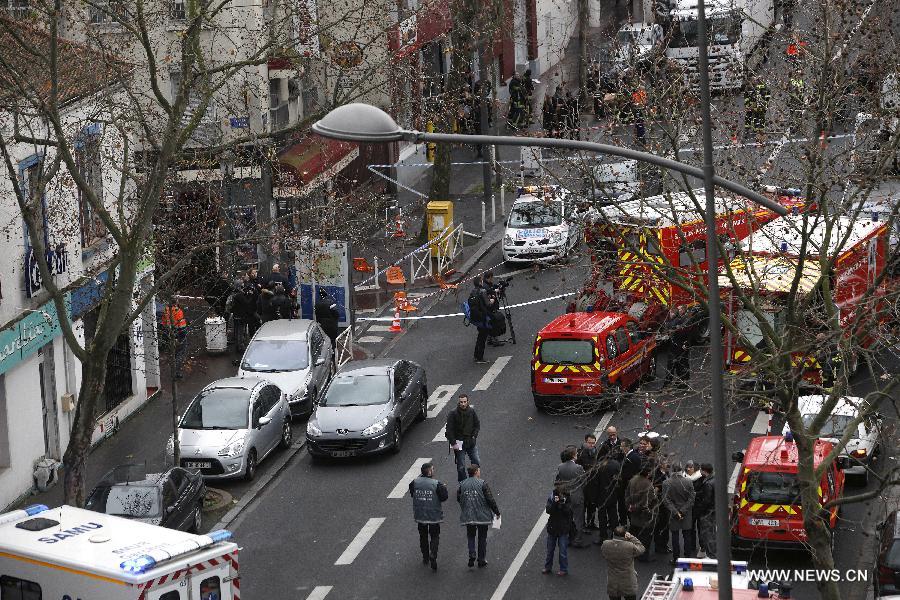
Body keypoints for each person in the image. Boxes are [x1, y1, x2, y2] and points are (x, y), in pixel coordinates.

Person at [457, 465, 500, 568]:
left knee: (471, 535)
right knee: (482, 537)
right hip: (482, 515)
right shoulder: (482, 483)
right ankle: (481, 559)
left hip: (469, 514)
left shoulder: (462, 484)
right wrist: (497, 512)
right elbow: (490, 499)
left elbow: (459, 498)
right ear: (476, 472)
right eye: (479, 471)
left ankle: (472, 553)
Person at [409, 462, 449, 570]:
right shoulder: (437, 484)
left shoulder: (415, 482)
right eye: (433, 469)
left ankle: (425, 557)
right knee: (435, 536)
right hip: (433, 515)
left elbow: (412, 493)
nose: (434, 470)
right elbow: (444, 498)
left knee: (423, 536)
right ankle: (433, 555)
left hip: (420, 514)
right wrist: (444, 488)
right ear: (430, 472)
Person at [662, 463, 696, 563]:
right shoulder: (688, 481)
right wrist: (683, 511)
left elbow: (666, 500)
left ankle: (676, 558)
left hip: (673, 514)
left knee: (675, 536)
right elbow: (691, 499)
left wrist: (676, 512)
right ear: (682, 470)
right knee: (687, 535)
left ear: (672, 470)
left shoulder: (666, 483)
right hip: (686, 513)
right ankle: (687, 557)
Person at [600, 526, 646, 600]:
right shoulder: (629, 546)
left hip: (613, 582)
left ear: (613, 534)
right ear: (625, 535)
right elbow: (641, 549)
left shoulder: (605, 544)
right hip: (627, 581)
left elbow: (604, 554)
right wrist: (631, 537)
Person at [556, 446, 587, 547]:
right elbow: (584, 481)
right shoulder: (578, 468)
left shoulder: (561, 466)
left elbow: (559, 480)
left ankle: (569, 538)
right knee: (578, 519)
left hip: (566, 496)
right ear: (573, 456)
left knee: (568, 518)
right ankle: (578, 540)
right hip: (576, 496)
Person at [445, 394, 481, 482]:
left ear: (468, 402)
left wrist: (473, 436)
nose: (463, 404)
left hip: (470, 442)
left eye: (465, 402)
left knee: (476, 461)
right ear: (459, 402)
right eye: (461, 402)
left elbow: (477, 425)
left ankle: (475, 480)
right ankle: (463, 483)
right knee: (461, 466)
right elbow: (449, 430)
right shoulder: (453, 413)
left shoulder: (472, 411)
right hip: (459, 444)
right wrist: (453, 443)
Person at [625, 466, 656, 562]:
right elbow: (647, 502)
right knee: (645, 537)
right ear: (648, 473)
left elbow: (626, 494)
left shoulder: (632, 480)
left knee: (633, 534)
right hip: (644, 516)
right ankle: (642, 556)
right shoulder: (648, 485)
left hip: (633, 513)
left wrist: (630, 507)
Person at [543, 486, 574, 575]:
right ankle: (547, 567)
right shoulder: (552, 497)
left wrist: (563, 504)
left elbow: (569, 512)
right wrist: (555, 503)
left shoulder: (568, 498)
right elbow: (548, 510)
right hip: (553, 527)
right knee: (550, 550)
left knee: (563, 551)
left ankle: (563, 569)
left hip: (563, 529)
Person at [228, 280, 260, 363]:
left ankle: (237, 344)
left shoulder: (233, 294)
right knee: (240, 331)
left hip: (235, 315)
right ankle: (240, 346)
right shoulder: (240, 295)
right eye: (242, 286)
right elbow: (247, 303)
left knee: (237, 330)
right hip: (241, 316)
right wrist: (251, 297)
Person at [468, 276, 497, 363]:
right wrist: (492, 300)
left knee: (480, 336)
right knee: (482, 337)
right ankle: (479, 357)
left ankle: (476, 356)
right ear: (480, 283)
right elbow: (488, 304)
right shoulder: (482, 291)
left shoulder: (473, 291)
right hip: (483, 317)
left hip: (476, 317)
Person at [595, 454, 622, 543]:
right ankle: (615, 534)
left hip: (601, 495)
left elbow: (596, 483)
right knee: (613, 514)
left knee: (602, 517)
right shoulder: (616, 464)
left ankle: (603, 536)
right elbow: (619, 480)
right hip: (613, 494)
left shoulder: (600, 466)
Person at [577, 434, 600, 530]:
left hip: (593, 484)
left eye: (593, 443)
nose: (592, 445)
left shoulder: (595, 451)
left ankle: (590, 523)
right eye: (589, 443)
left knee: (592, 506)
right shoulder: (581, 454)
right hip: (584, 484)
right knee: (583, 507)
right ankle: (582, 526)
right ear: (585, 442)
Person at [694, 463, 717, 558]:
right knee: (712, 532)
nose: (700, 471)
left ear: (704, 471)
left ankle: (711, 555)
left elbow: (706, 500)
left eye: (701, 470)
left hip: (708, 512)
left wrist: (699, 511)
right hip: (714, 510)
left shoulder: (708, 483)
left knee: (707, 534)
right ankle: (712, 552)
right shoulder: (715, 479)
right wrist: (697, 493)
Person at [161, 301, 188, 379]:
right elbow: (182, 327)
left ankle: (173, 371)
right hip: (179, 336)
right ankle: (176, 372)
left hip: (169, 336)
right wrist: (181, 338)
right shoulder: (178, 311)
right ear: (176, 303)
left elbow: (164, 324)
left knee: (173, 354)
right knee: (180, 354)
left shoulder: (166, 311)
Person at [618, 438, 641, 525]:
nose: (620, 448)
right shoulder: (631, 455)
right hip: (629, 487)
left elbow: (629, 474)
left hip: (629, 487)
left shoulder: (632, 458)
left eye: (622, 446)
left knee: (628, 508)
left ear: (627, 447)